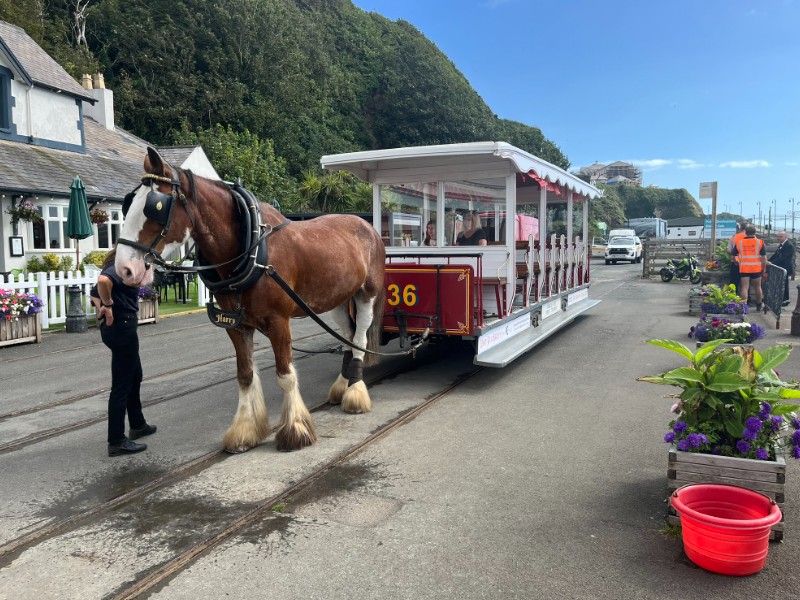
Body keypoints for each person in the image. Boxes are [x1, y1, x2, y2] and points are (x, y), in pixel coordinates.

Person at [90, 248, 157, 456]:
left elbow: (94, 293)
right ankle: (116, 441)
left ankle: (137, 424)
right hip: (122, 328)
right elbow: (102, 281)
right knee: (122, 385)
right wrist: (108, 305)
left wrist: (102, 306)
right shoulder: (118, 269)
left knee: (135, 376)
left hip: (120, 328)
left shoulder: (118, 268)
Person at [732, 224, 766, 311]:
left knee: (744, 288)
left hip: (744, 268)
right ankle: (759, 305)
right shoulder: (760, 242)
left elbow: (733, 256)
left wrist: (737, 262)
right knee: (758, 287)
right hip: (756, 268)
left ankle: (743, 307)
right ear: (755, 232)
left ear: (745, 232)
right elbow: (763, 258)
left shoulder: (739, 242)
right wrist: (764, 269)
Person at [767, 230, 795, 306]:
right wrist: (769, 261)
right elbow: (776, 255)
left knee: (784, 284)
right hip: (781, 267)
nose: (779, 238)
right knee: (780, 283)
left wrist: (772, 263)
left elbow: (783, 257)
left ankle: (785, 299)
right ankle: (781, 299)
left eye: (781, 236)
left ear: (786, 237)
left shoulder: (789, 245)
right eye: (778, 236)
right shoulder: (782, 244)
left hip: (785, 267)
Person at [727, 222, 747, 291]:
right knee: (746, 285)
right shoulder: (751, 238)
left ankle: (732, 295)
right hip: (747, 264)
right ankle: (746, 297)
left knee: (733, 282)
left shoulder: (734, 237)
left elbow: (728, 250)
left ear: (740, 228)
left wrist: (735, 254)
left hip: (735, 262)